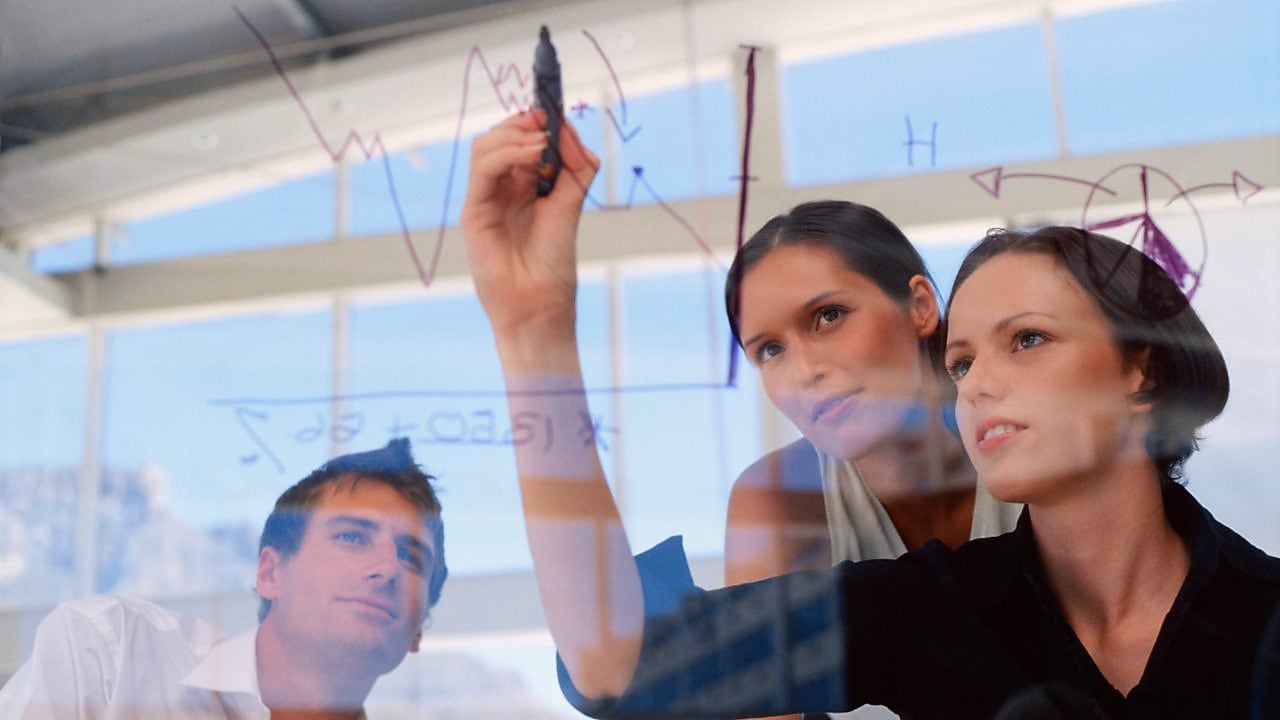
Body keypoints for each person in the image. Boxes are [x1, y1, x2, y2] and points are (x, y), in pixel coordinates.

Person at [461, 110, 1280, 718]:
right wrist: (534, 332)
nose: (978, 384)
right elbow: (618, 660)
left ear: (1142, 368)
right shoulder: (932, 609)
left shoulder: (1263, 613)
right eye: (964, 363)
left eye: (1027, 339)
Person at [0, 438, 447, 719]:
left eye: (412, 558)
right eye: (352, 536)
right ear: (271, 573)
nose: (388, 567)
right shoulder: (111, 654)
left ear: (418, 630)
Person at [722, 200, 1021, 591]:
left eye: (829, 316)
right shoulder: (777, 498)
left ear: (920, 307)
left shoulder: (1029, 435)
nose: (804, 371)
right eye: (770, 350)